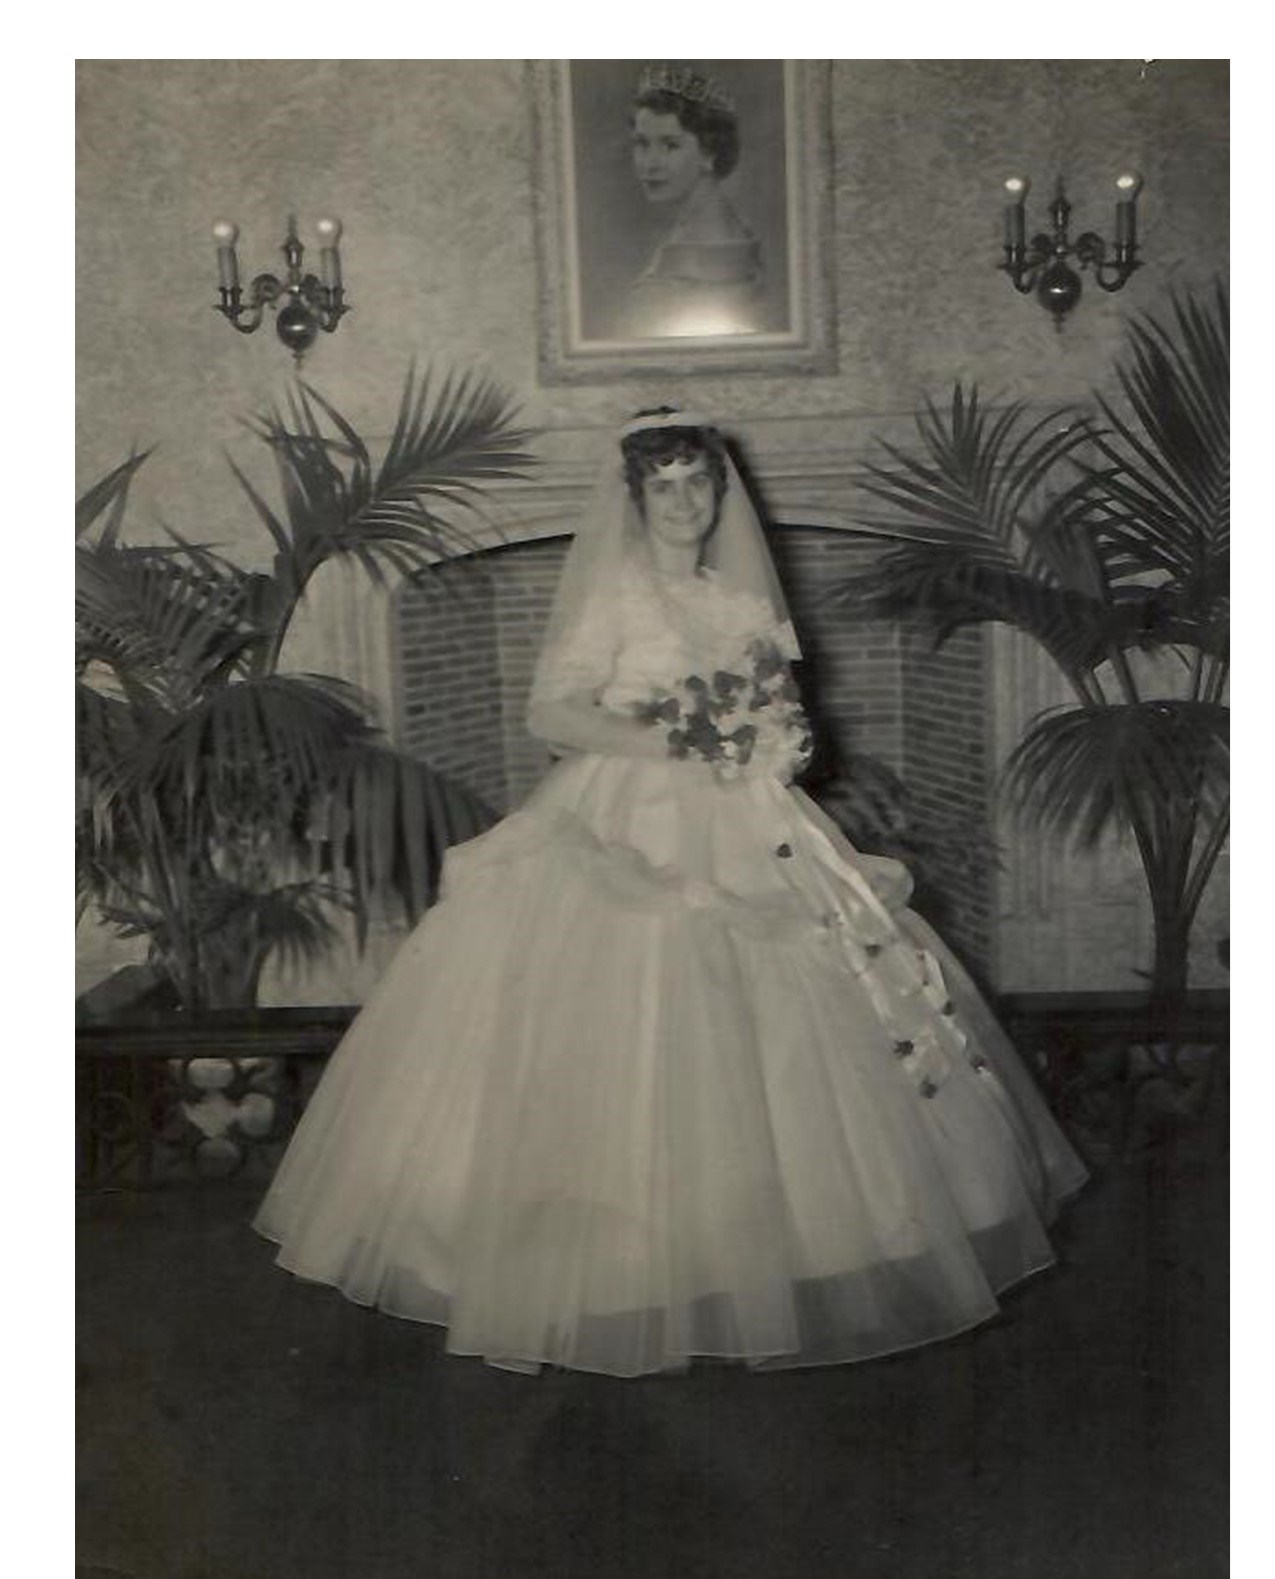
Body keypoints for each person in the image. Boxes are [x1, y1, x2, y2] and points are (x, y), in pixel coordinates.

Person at [255, 408, 1087, 1378]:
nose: (685, 503)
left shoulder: (737, 600)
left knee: (789, 1003)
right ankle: (621, 1254)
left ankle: (770, 1242)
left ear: (719, 494)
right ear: (636, 500)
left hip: (751, 816)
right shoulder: (617, 595)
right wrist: (680, 740)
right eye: (665, 487)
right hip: (628, 813)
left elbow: (779, 715)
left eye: (699, 484)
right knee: (640, 996)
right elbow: (552, 714)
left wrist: (778, 741)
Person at [625, 64, 765, 339]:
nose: (650, 163)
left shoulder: (709, 241)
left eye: (670, 145)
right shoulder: (706, 222)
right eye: (642, 144)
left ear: (709, 153)